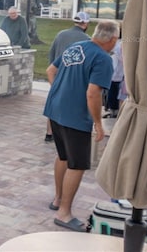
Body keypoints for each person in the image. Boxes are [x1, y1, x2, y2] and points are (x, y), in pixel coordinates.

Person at [44, 20, 119, 232]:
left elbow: (51, 70)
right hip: (75, 117)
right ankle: (64, 214)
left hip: (55, 111)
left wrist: (61, 90)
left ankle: (58, 200)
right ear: (112, 39)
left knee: (63, 157)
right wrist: (98, 123)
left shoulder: (76, 47)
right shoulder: (103, 58)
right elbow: (93, 93)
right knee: (77, 165)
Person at [43, 11, 91, 142]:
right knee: (72, 107)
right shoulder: (87, 40)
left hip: (57, 75)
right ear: (85, 23)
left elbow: (51, 55)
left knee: (53, 104)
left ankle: (49, 133)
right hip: (75, 80)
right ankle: (67, 134)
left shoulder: (60, 34)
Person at [105, 36, 123, 117]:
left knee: (115, 92)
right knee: (113, 92)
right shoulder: (117, 43)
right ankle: (113, 110)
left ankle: (114, 110)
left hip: (119, 73)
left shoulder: (119, 43)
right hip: (115, 72)